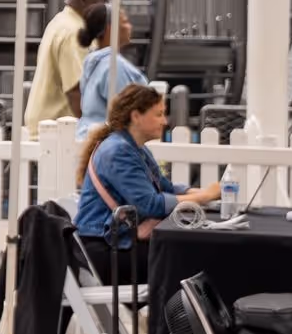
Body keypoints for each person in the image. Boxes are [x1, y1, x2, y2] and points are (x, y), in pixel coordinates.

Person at [74, 84, 218, 274]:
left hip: (116, 241)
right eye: (158, 114)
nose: (164, 121)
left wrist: (207, 192)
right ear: (136, 116)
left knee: (187, 253)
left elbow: (166, 188)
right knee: (186, 258)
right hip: (105, 248)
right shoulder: (119, 151)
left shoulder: (135, 148)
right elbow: (150, 204)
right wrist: (205, 196)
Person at [24, 0, 110, 131]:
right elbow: (75, 90)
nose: (106, 6)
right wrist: (93, 132)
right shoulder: (73, 32)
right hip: (59, 132)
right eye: (102, 0)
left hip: (48, 127)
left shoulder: (61, 21)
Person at [76, 7, 147, 139]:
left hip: (87, 139)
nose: (129, 27)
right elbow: (127, 114)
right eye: (125, 22)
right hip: (108, 144)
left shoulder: (93, 63)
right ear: (111, 28)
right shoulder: (115, 67)